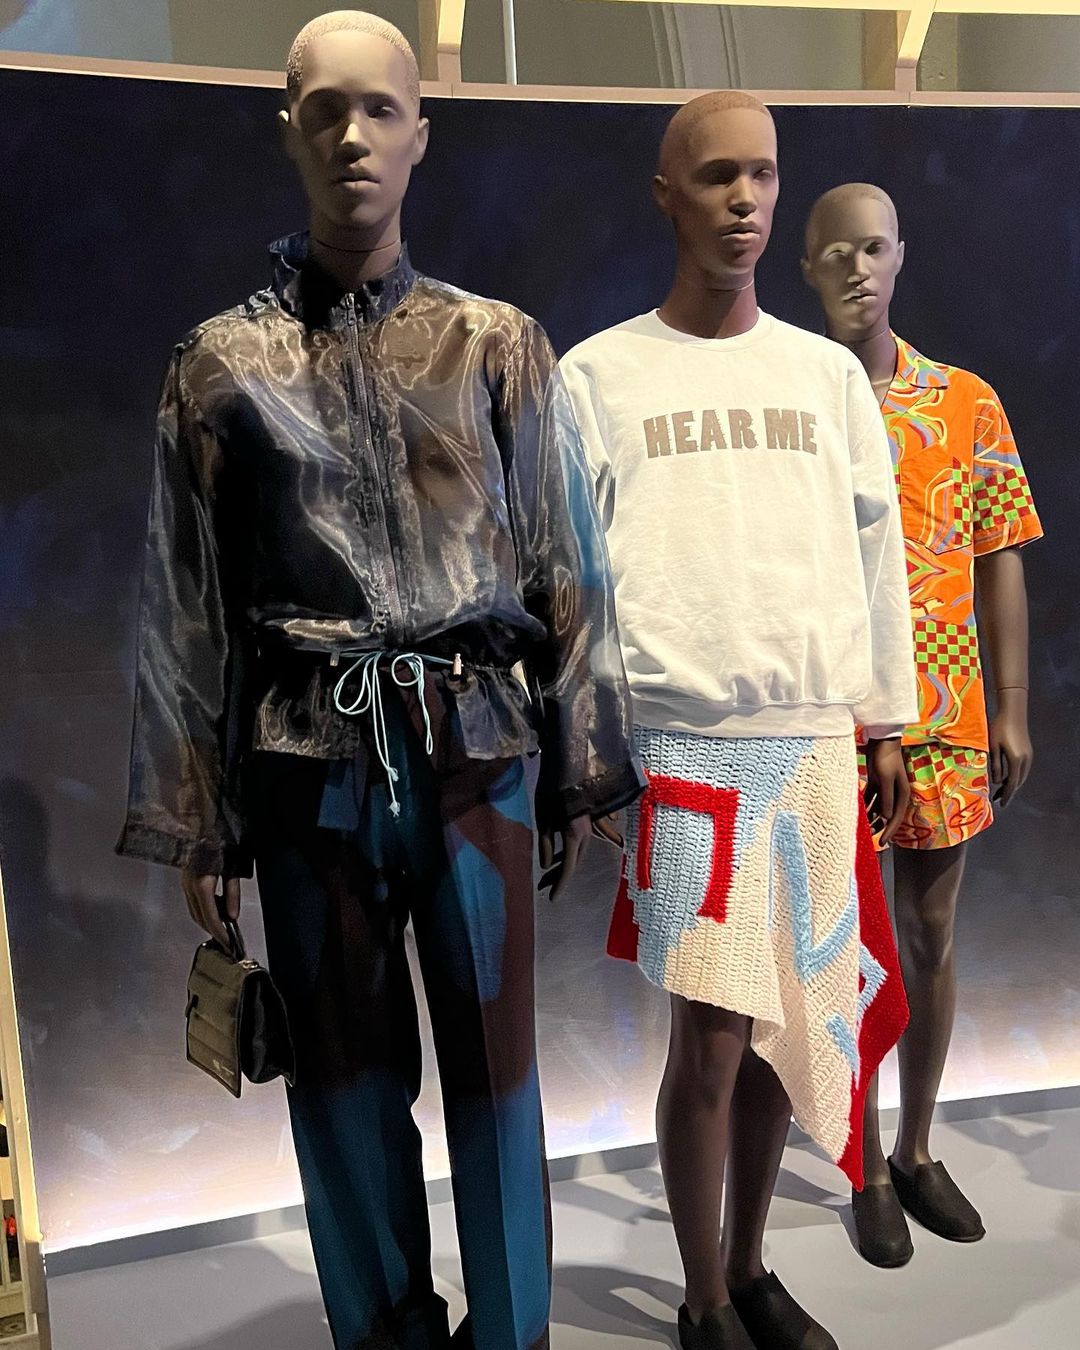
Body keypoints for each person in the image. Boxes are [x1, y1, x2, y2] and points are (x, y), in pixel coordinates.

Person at [117, 12, 642, 1349]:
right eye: (324, 110)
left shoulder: (496, 343)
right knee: (343, 1092)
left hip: (479, 754)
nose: (353, 136)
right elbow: (187, 600)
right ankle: (388, 1334)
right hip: (305, 769)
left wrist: (583, 767)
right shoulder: (218, 365)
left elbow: (567, 563)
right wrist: (196, 813)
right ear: (287, 129)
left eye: (381, 110)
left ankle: (511, 1333)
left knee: (500, 1080)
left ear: (421, 133)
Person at [560, 92, 918, 1350]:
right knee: (709, 1035)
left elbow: (878, 560)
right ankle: (702, 1296)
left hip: (813, 738)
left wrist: (885, 721)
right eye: (717, 175)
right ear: (668, 194)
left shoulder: (825, 376)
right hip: (683, 747)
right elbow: (572, 587)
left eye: (762, 174)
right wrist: (593, 758)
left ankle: (755, 1266)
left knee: (789, 1028)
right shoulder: (597, 375)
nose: (746, 199)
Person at [803, 182, 1043, 1267]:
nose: (857, 270)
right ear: (807, 268)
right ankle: (858, 1163)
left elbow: (1000, 555)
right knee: (846, 951)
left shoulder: (964, 403)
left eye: (873, 249)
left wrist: (1013, 706)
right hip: (833, 712)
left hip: (947, 706)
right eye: (836, 253)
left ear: (899, 256)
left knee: (931, 933)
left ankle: (915, 1146)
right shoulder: (796, 399)